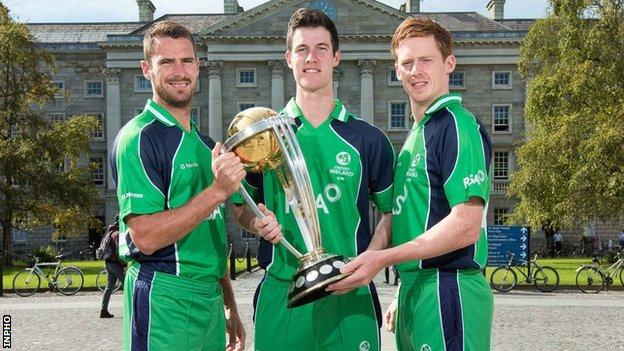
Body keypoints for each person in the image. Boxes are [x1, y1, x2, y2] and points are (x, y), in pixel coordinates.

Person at [232, 8, 395, 351]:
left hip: (350, 289)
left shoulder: (369, 139)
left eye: (322, 48)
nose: (312, 58)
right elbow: (242, 210)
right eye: (302, 49)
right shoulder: (263, 136)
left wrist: (373, 258)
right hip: (283, 292)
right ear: (288, 57)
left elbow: (390, 213)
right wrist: (258, 223)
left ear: (336, 57)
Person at [327, 16, 494, 351]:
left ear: (449, 64)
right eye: (408, 63)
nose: (416, 70)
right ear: (397, 71)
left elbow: (465, 225)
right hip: (416, 291)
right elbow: (401, 219)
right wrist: (379, 269)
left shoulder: (456, 126)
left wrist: (383, 259)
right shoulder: (415, 137)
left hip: (450, 287)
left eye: (426, 60)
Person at [110, 21, 246, 351]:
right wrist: (217, 190)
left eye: (186, 60)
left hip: (210, 298)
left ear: (199, 66)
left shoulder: (205, 144)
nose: (179, 71)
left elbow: (210, 233)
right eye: (166, 62)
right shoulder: (138, 137)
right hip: (165, 294)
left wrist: (229, 304)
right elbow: (146, 236)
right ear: (146, 69)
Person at [100, 215, 126, 318]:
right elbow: (119, 250)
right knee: (128, 286)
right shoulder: (118, 234)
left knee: (109, 287)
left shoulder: (109, 233)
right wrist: (124, 263)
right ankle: (133, 310)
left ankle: (103, 309)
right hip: (116, 264)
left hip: (108, 263)